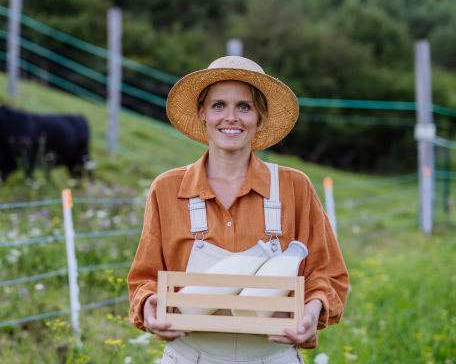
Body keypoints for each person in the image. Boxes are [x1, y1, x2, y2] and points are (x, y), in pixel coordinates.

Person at [127, 57, 349, 363]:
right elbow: (144, 278)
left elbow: (327, 275)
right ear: (202, 113)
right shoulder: (167, 189)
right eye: (219, 105)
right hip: (189, 355)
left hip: (273, 355)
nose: (230, 117)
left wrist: (312, 310)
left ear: (259, 117)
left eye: (244, 106)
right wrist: (150, 304)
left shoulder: (294, 187)